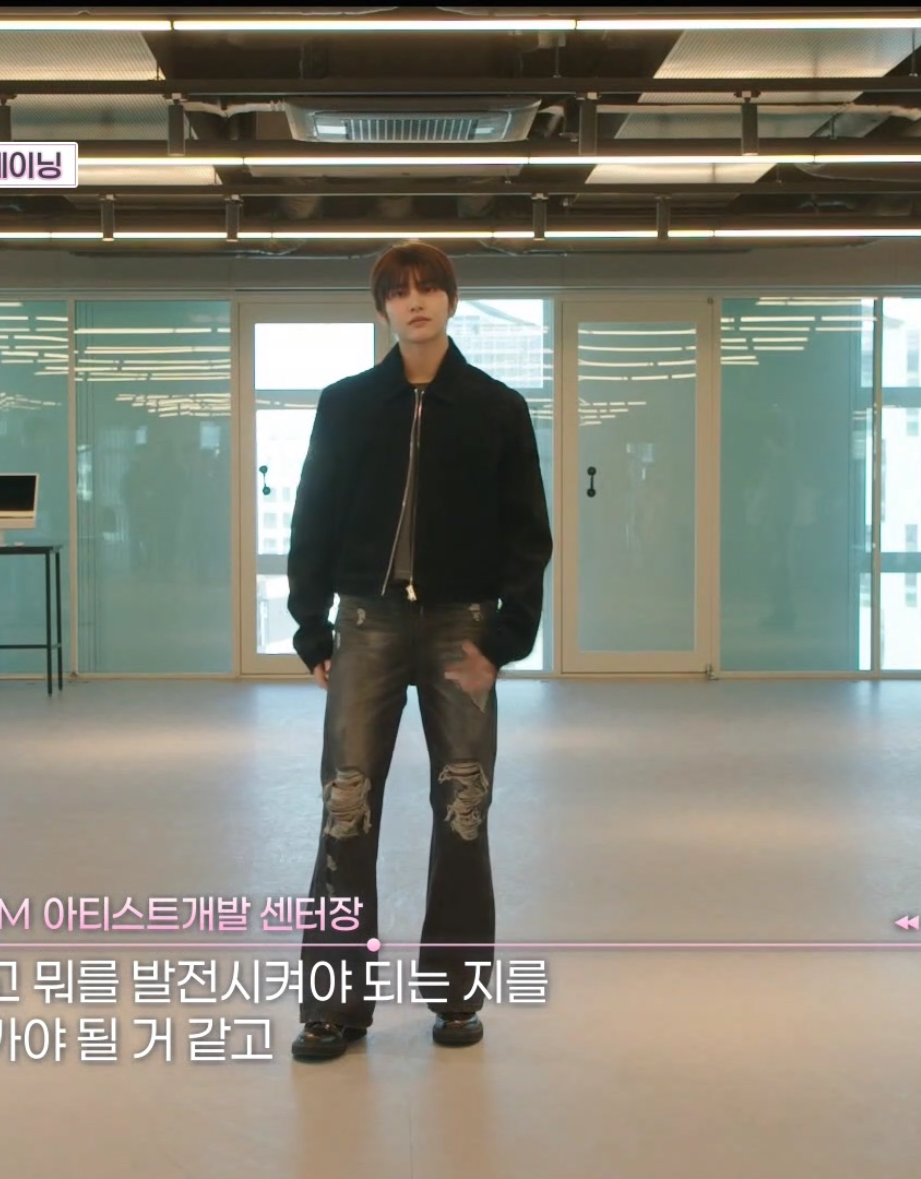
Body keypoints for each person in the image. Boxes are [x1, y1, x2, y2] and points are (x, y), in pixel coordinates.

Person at [285, 241, 554, 1061]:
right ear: (382, 309)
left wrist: (503, 640)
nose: (415, 301)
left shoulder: (496, 407)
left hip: (460, 628)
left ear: (451, 300)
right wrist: (311, 625)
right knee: (346, 807)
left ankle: (457, 993)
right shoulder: (347, 405)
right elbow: (313, 513)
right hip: (366, 624)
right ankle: (333, 1003)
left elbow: (529, 533)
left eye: (429, 287)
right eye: (399, 291)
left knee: (463, 807)